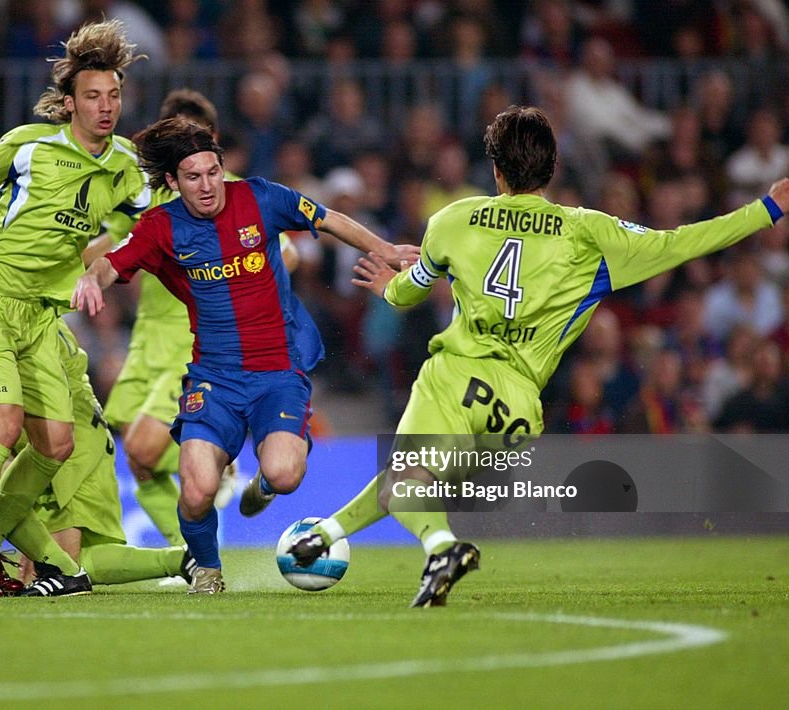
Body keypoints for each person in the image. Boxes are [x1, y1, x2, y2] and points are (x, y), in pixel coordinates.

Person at [288, 105, 789, 607]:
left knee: (411, 479)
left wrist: (388, 289)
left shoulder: (453, 219)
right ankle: (325, 534)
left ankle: (441, 547)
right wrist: (765, 209)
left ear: (496, 171)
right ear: (552, 169)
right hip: (519, 410)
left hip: (457, 375)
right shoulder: (587, 232)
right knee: (414, 476)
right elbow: (682, 243)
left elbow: (410, 292)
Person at [72, 117, 418, 594]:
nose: (208, 185)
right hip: (213, 378)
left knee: (284, 473)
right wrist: (92, 278)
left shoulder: (259, 197)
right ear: (172, 182)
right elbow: (113, 262)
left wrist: (385, 248)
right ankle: (207, 571)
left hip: (277, 372)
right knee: (196, 491)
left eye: (213, 171)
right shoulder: (161, 225)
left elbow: (327, 218)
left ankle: (265, 486)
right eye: (193, 177)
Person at [0, 19, 151, 597]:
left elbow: (147, 221)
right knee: (2, 426)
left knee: (56, 443)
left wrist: (97, 268)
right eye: (93, 97)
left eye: (114, 96)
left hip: (37, 320)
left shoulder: (125, 164)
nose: (105, 107)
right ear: (69, 102)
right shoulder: (30, 145)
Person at [0, 234, 197, 593]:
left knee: (59, 566)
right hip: (40, 442)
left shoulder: (20, 304)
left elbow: (78, 258)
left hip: (72, 436)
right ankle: (184, 560)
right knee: (73, 563)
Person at [96, 89, 299, 558]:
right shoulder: (150, 198)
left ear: (211, 139)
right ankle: (187, 555)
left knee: (148, 447)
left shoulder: (227, 192)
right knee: (137, 459)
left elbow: (285, 253)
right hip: (146, 341)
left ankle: (221, 457)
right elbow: (108, 250)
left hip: (194, 343)